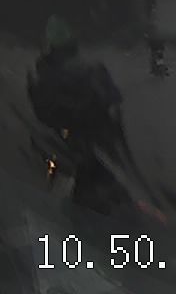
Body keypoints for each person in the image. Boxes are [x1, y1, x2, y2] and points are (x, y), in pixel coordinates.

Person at [28, 14, 127, 211]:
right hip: (88, 142)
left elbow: (44, 112)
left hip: (82, 143)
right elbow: (114, 100)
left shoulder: (51, 72)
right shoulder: (89, 68)